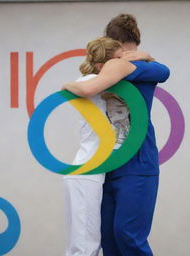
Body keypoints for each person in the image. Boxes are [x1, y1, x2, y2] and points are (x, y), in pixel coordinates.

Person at [63, 14, 170, 256]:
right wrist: (148, 56)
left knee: (127, 235)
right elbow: (163, 70)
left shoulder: (127, 67)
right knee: (109, 238)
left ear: (114, 43)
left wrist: (66, 86)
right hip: (108, 165)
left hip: (138, 164)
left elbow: (164, 71)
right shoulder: (142, 66)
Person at [63, 36, 124, 256]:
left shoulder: (102, 84)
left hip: (88, 172)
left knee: (84, 244)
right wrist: (67, 84)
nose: (122, 64)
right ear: (101, 65)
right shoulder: (90, 81)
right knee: (85, 245)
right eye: (117, 59)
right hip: (86, 172)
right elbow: (82, 87)